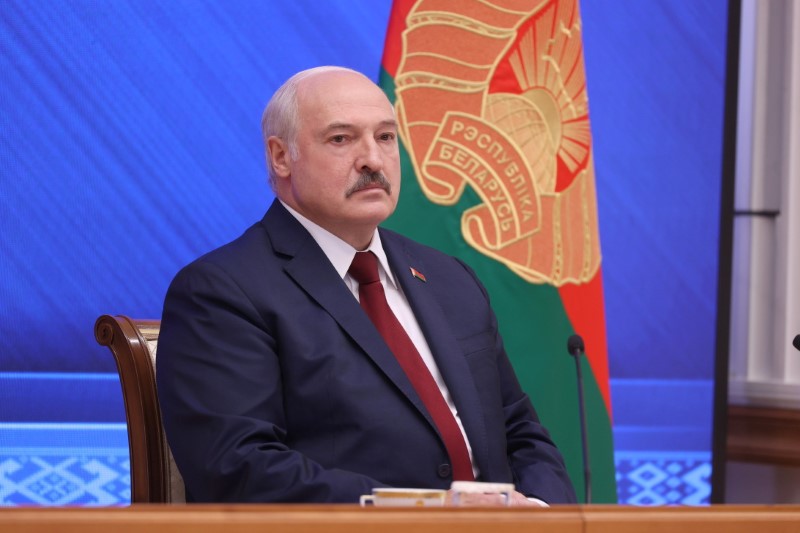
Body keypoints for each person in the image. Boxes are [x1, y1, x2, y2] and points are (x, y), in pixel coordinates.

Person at [156, 66, 577, 505]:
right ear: (281, 157)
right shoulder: (223, 291)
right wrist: (428, 513)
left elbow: (520, 432)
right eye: (341, 139)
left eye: (386, 137)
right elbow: (239, 469)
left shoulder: (452, 278)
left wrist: (542, 513)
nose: (373, 160)